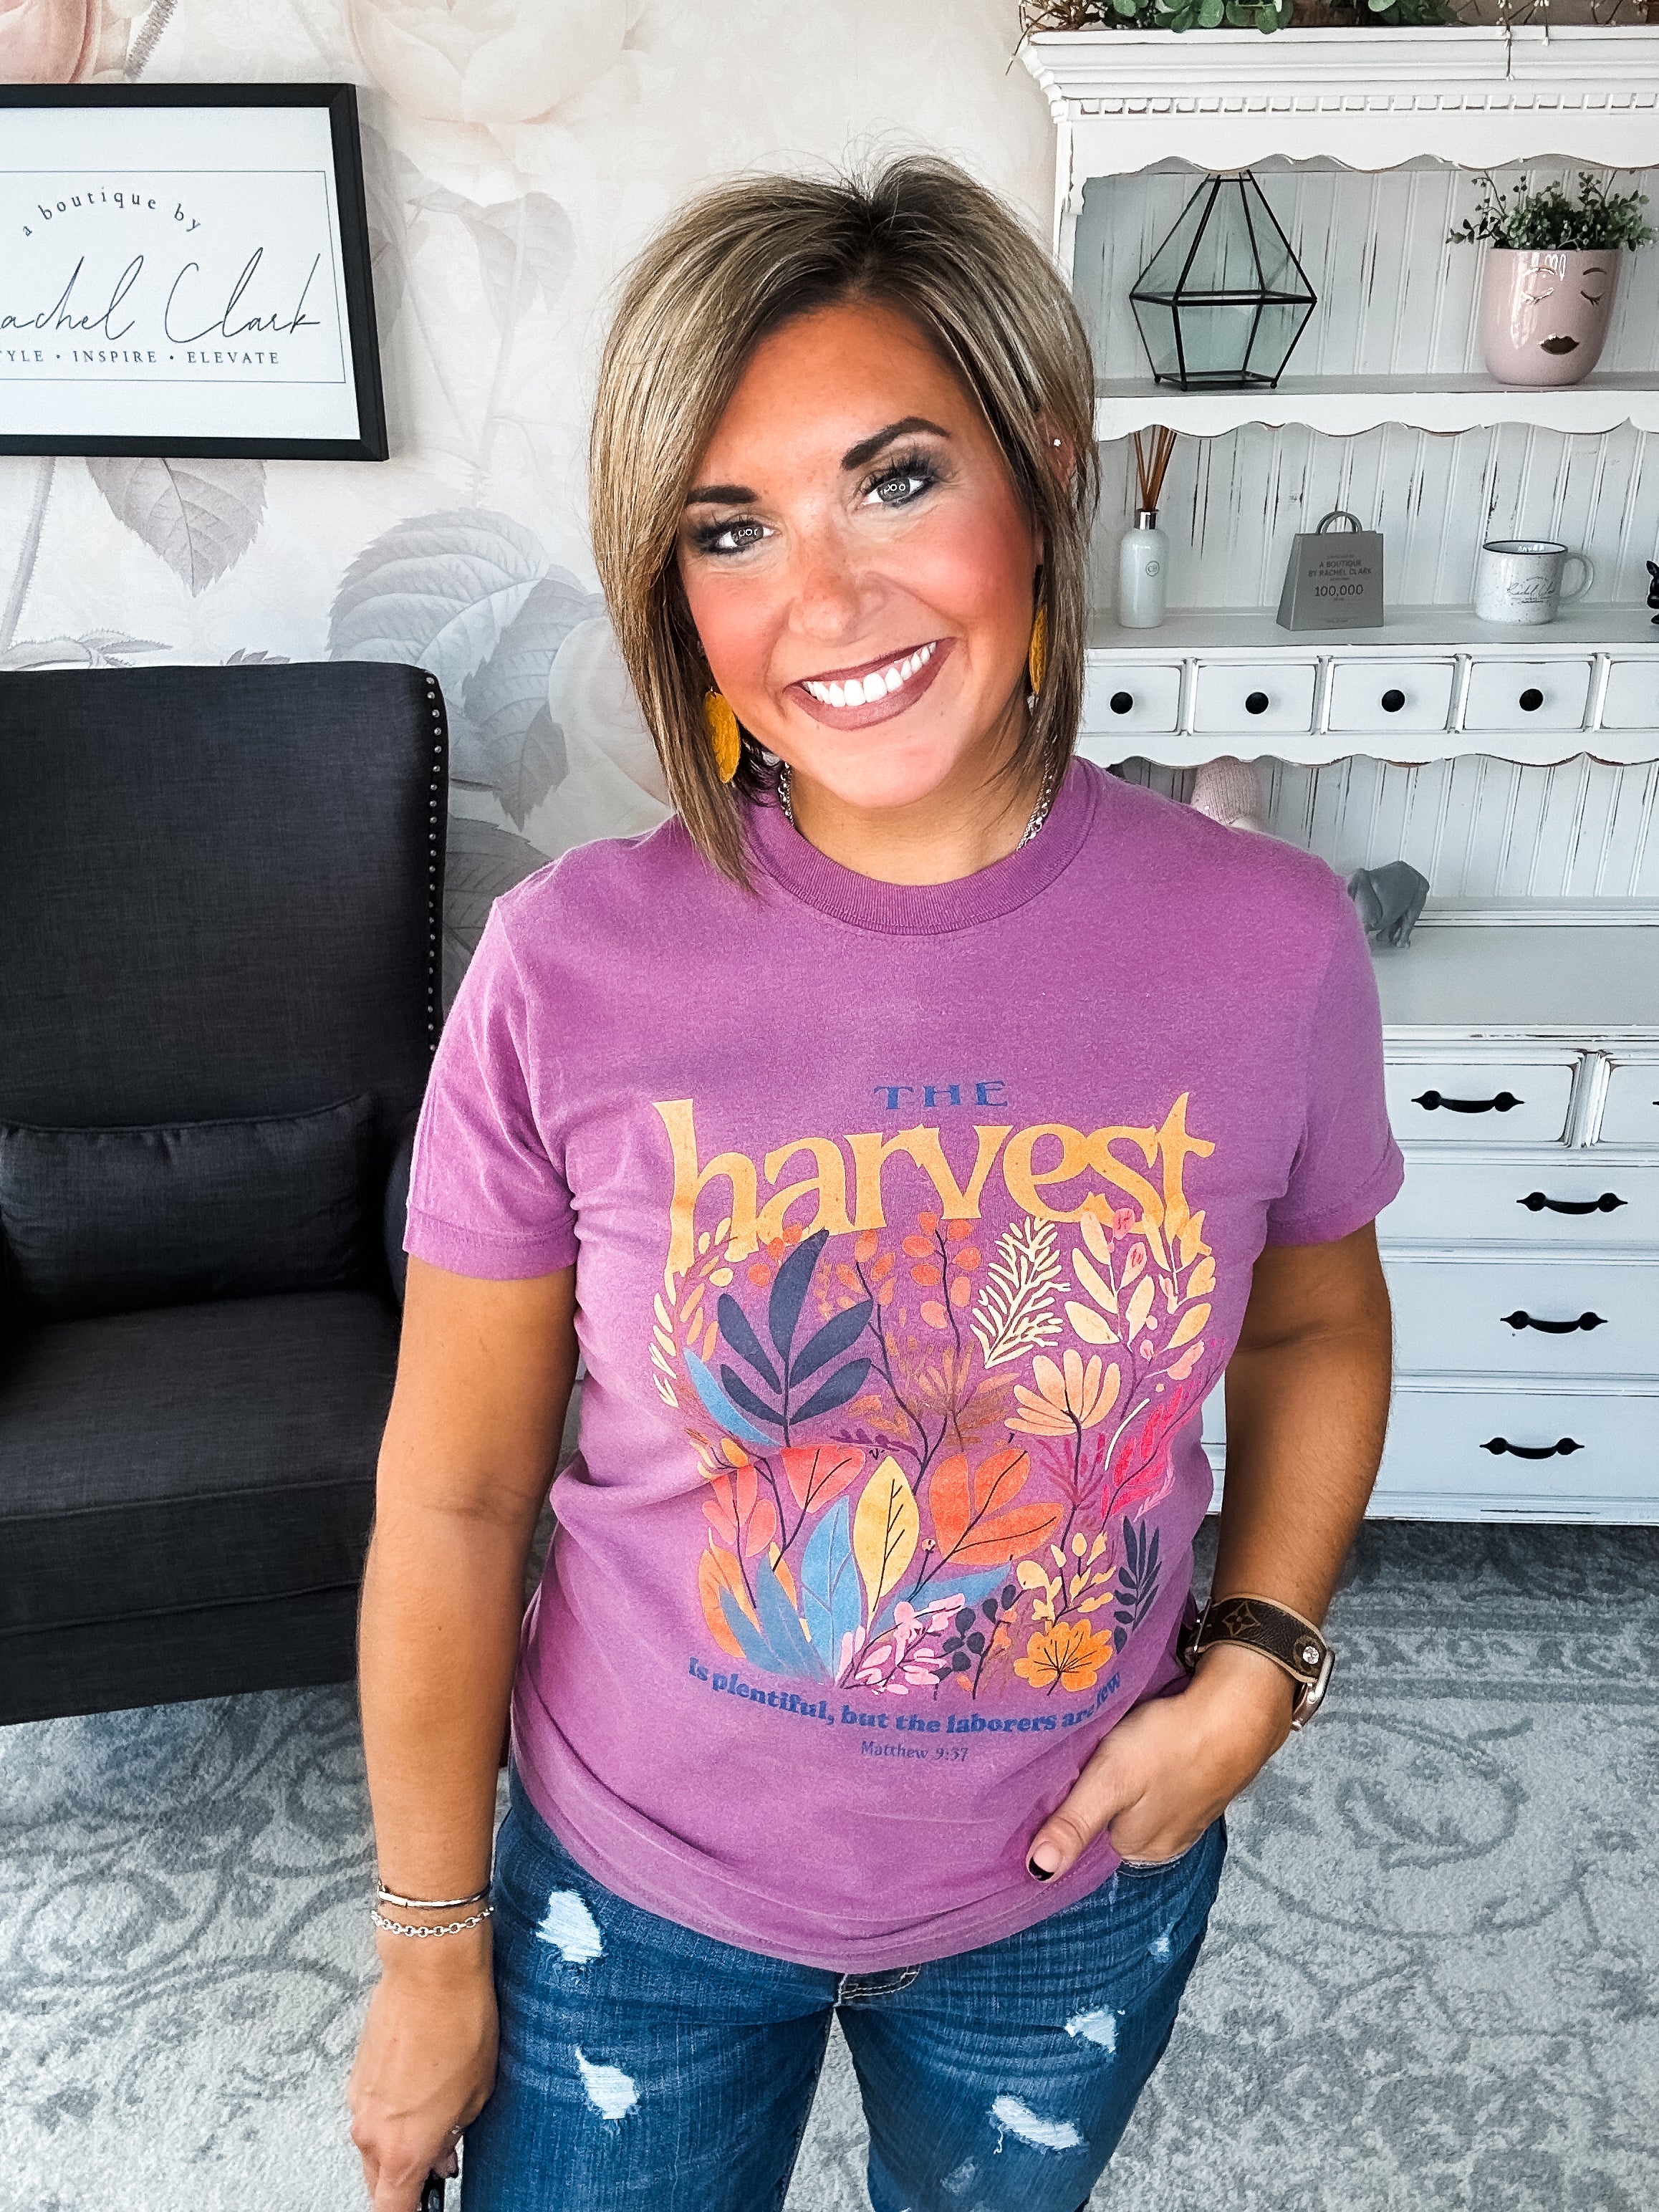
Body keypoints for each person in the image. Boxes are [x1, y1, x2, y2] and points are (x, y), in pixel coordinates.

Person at [347, 156, 1400, 2212]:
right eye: (729, 529)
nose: (817, 604)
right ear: (675, 591)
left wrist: (1257, 1661)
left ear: (1046, 476)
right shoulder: (568, 966)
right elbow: (456, 1493)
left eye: (894, 481)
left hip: (1067, 1889)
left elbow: (1309, 1315)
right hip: (629, 1901)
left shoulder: (1265, 944)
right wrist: (423, 1937)